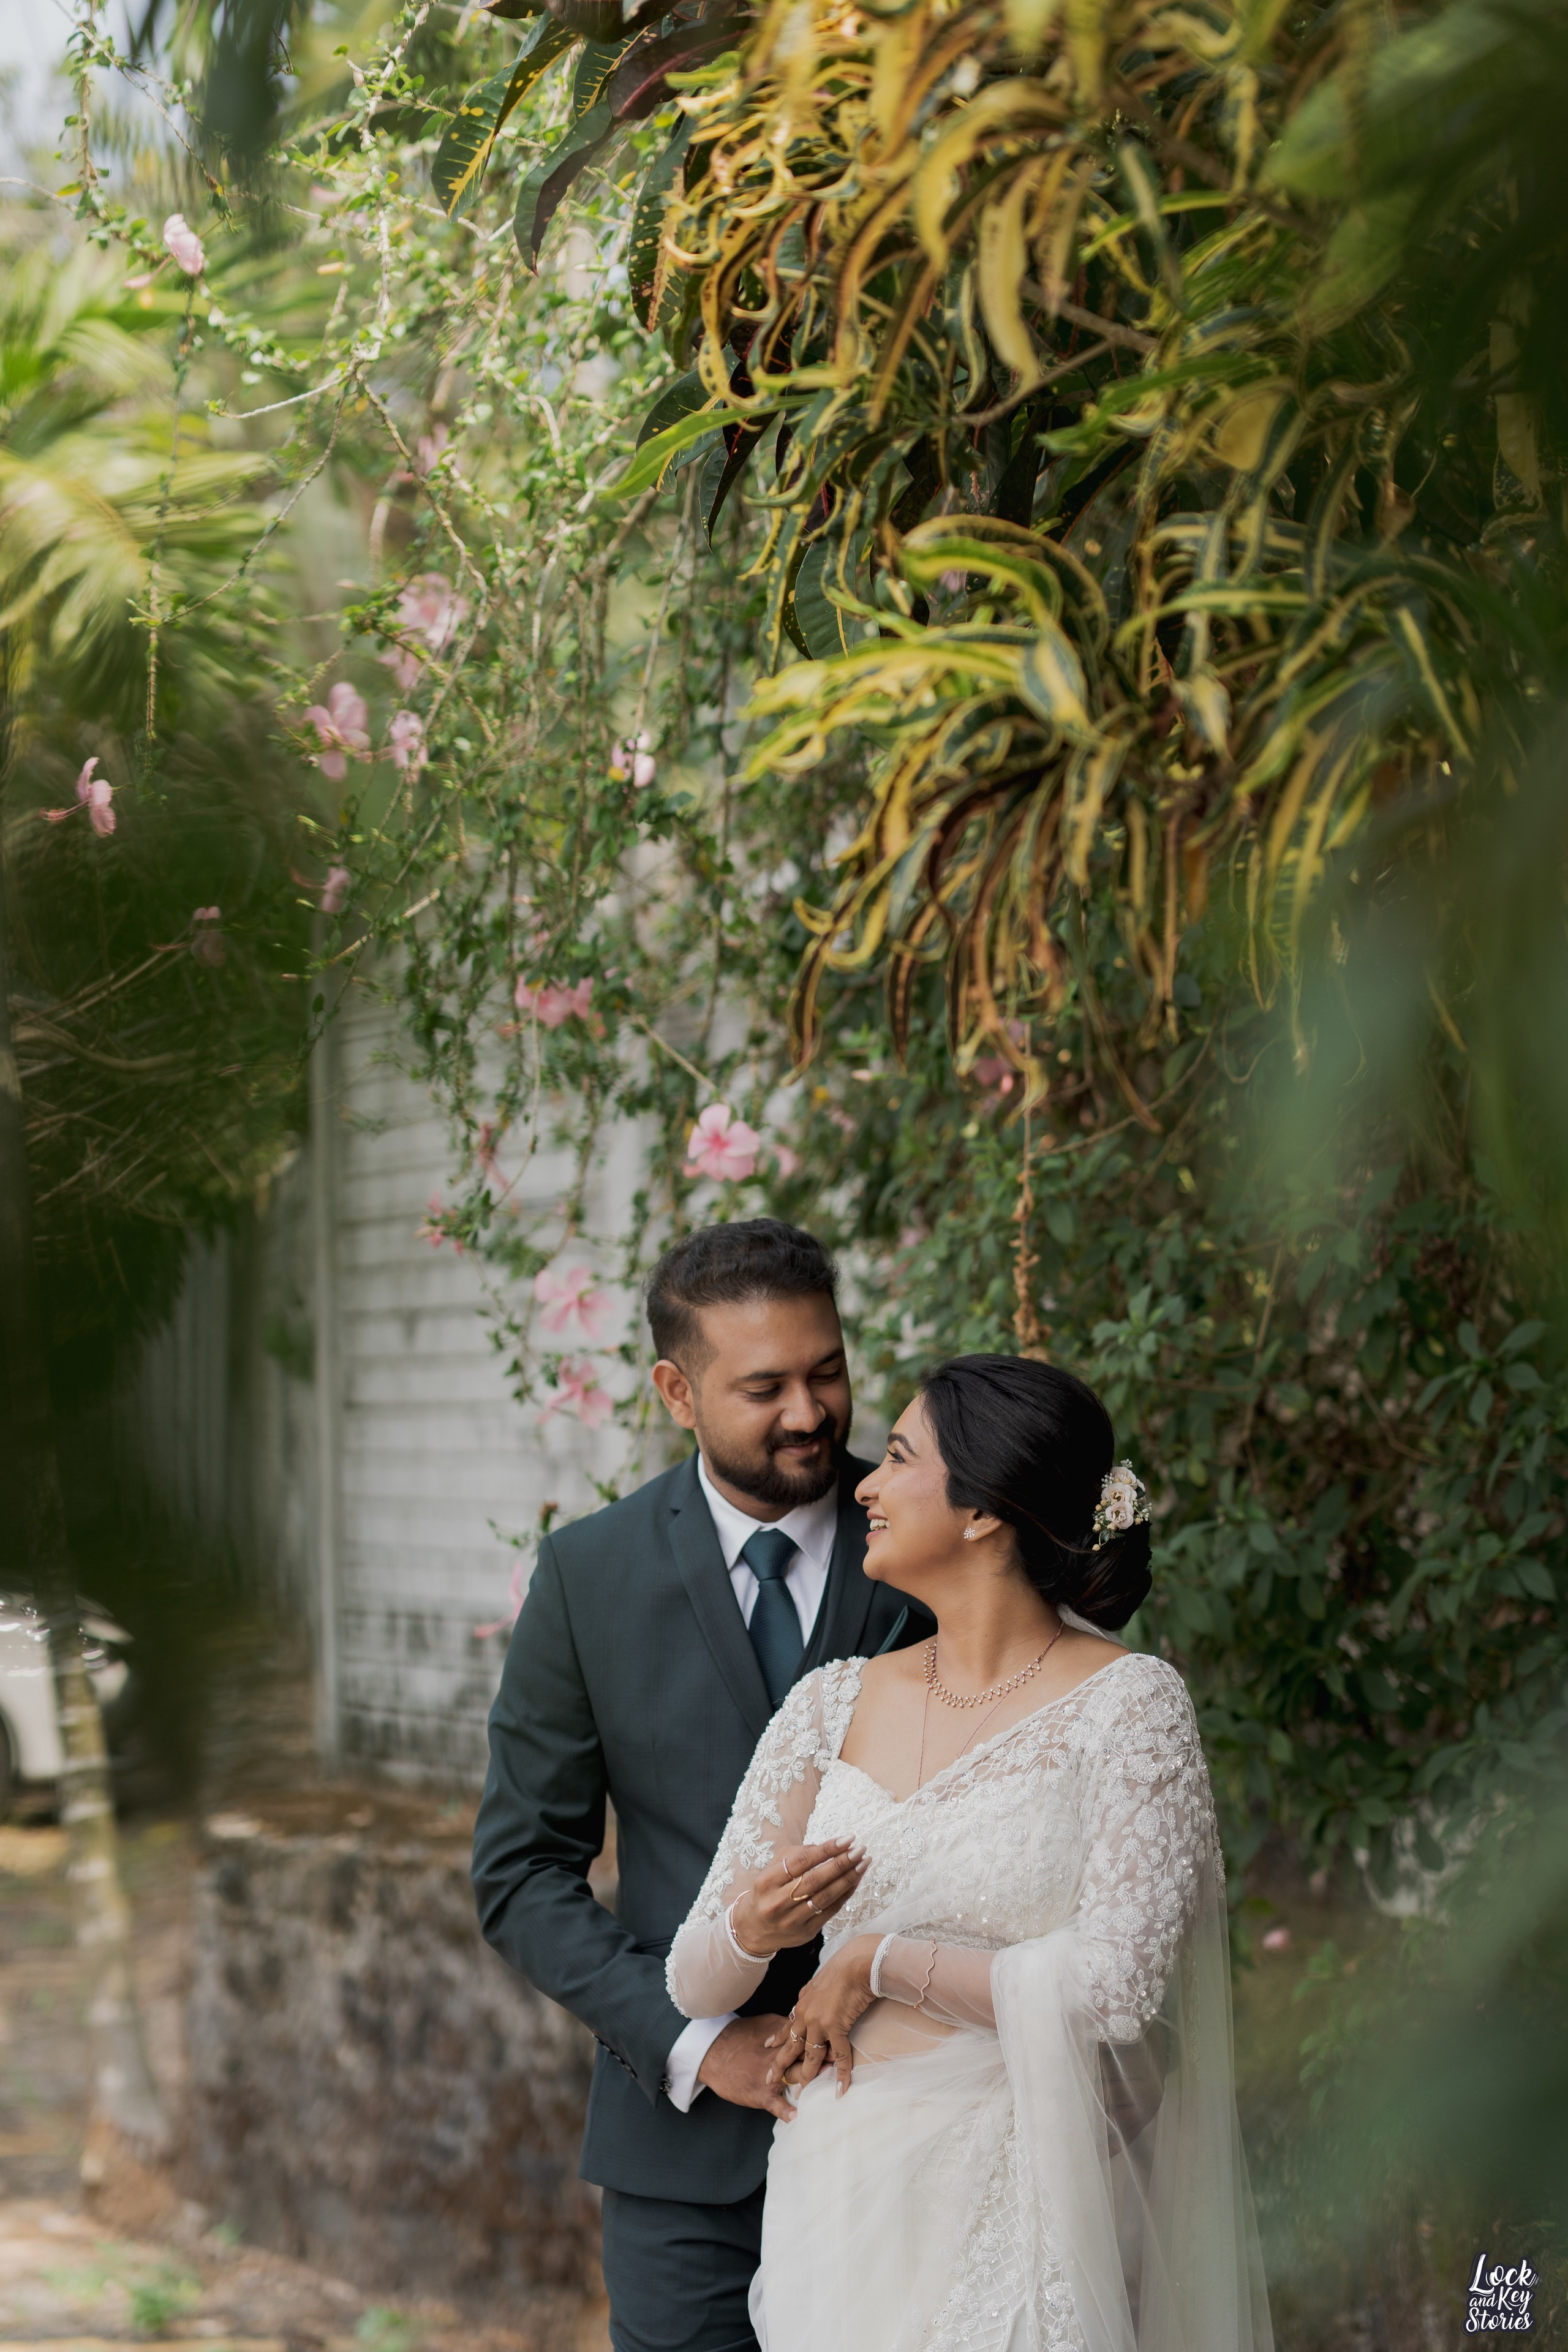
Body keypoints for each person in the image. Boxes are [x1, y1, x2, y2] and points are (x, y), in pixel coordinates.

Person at [668, 1353, 1275, 2352]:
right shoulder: (829, 1703)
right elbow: (695, 1981)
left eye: (898, 1456)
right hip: (839, 2185)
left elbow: (1118, 1988)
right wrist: (753, 1925)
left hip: (1027, 2182)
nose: (862, 1480)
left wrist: (876, 1960)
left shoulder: (1130, 1706)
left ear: (985, 1511)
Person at [472, 1219, 932, 2352]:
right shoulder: (588, 1577)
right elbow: (520, 1876)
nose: (811, 1413)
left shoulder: (940, 1544)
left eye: (828, 1371)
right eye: (765, 1386)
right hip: (686, 2167)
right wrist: (694, 2044)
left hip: (921, 2126)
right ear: (678, 1390)